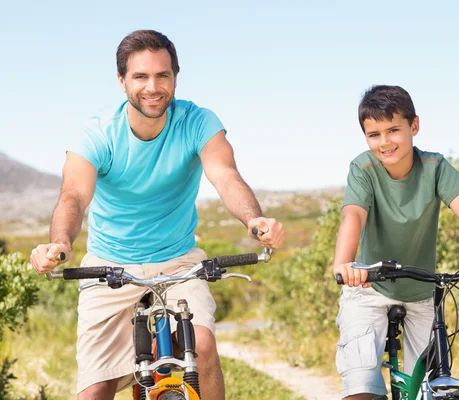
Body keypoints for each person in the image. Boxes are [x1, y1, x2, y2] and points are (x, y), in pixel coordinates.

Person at [29, 29, 285, 400]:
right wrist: (60, 243)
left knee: (203, 347)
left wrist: (254, 221)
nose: (153, 86)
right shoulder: (98, 133)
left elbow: (226, 176)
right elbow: (73, 196)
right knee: (95, 388)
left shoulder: (197, 122)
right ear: (121, 81)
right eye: (141, 76)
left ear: (175, 78)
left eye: (162, 75)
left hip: (178, 260)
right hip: (110, 265)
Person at [333, 85, 459, 399]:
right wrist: (345, 264)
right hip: (368, 288)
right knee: (361, 385)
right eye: (374, 135)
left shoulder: (435, 167)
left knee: (431, 388)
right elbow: (353, 217)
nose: (385, 142)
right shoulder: (363, 169)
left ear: (414, 126)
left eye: (393, 130)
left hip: (420, 291)